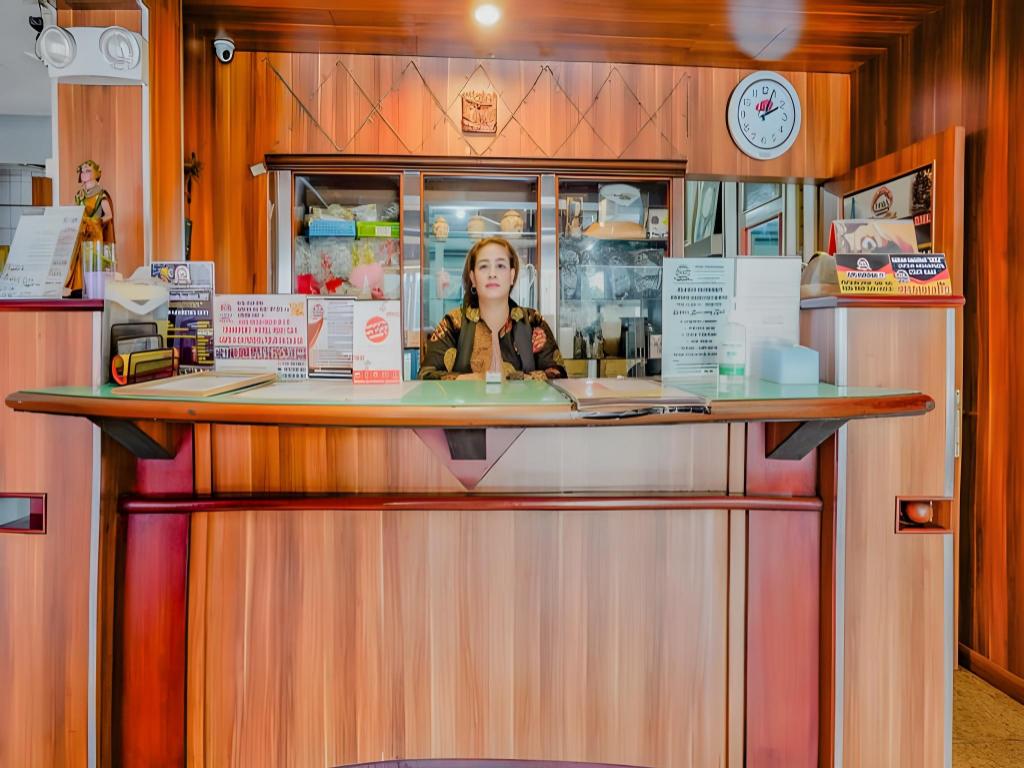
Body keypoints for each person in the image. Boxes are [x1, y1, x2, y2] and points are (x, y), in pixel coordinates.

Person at [419, 236, 566, 380]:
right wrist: (474, 379)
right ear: (473, 278)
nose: (492, 274)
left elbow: (558, 375)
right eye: (484, 266)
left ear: (512, 275)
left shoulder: (532, 321)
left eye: (500, 266)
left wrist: (511, 379)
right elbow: (425, 376)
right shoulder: (453, 323)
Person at [74, 159, 115, 245]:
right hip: (82, 235)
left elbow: (109, 215)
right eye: (82, 171)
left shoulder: (101, 194)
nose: (84, 173)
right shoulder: (79, 195)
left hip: (95, 236)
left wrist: (95, 222)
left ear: (95, 173)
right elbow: (75, 214)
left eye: (88, 171)